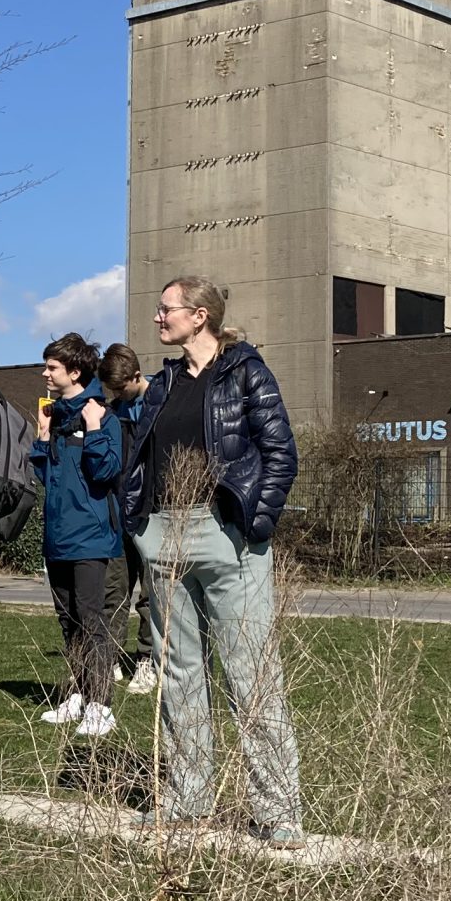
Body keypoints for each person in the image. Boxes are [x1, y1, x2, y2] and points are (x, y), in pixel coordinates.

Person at [119, 275, 304, 845]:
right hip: (164, 536)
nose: (157, 317)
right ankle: (187, 797)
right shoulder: (163, 383)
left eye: (166, 309)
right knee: (178, 673)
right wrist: (140, 525)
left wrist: (253, 526)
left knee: (251, 673)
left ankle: (278, 811)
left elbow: (280, 453)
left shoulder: (246, 371)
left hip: (227, 536)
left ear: (199, 315)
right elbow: (140, 458)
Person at [33, 332, 124, 738]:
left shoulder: (102, 416)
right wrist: (42, 435)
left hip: (90, 535)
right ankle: (76, 693)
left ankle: (100, 705)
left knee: (91, 620)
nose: (45, 373)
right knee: (68, 620)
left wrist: (94, 429)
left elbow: (106, 471)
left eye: (52, 367)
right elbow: (46, 477)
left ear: (74, 372)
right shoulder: (54, 417)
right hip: (58, 535)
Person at [98, 343, 158, 696]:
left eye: (121, 388)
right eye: (112, 390)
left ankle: (146, 660)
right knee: (114, 592)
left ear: (137, 376)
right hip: (119, 517)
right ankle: (110, 658)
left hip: (153, 516)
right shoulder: (114, 412)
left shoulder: (160, 404)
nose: (117, 395)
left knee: (151, 596)